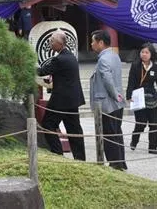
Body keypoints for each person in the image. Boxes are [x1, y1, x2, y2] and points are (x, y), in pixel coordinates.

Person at [36, 29, 86, 160]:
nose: (50, 44)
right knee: (74, 130)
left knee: (48, 124)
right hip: (72, 100)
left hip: (61, 101)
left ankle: (57, 153)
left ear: (58, 43)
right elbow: (63, 75)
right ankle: (80, 158)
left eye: (51, 41)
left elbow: (42, 71)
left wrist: (26, 64)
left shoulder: (59, 59)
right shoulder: (70, 56)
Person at [89, 29, 127, 170]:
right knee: (117, 131)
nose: (91, 44)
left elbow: (107, 79)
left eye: (93, 41)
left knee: (109, 134)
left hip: (107, 102)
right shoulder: (114, 56)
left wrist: (114, 94)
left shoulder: (103, 59)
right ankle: (120, 161)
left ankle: (114, 163)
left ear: (101, 42)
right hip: (117, 102)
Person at [126, 43, 157, 154]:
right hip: (139, 97)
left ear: (151, 54)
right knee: (141, 123)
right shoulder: (135, 66)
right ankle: (134, 141)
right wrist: (129, 95)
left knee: (153, 124)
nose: (144, 54)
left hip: (152, 98)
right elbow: (131, 82)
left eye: (146, 52)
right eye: (142, 52)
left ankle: (153, 147)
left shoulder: (155, 67)